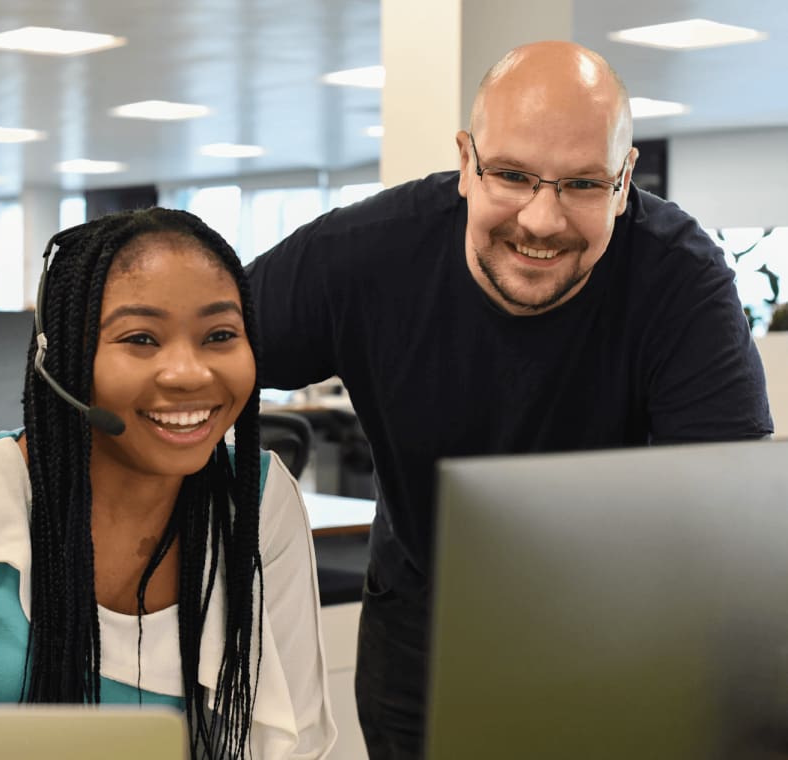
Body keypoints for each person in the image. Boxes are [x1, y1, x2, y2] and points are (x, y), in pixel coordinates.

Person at [246, 40, 774, 758]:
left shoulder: (680, 281)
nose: (542, 220)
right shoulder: (366, 254)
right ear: (467, 162)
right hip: (423, 608)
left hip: (619, 620)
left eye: (583, 184)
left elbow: (731, 521)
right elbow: (200, 349)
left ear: (624, 182)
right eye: (513, 175)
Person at [0, 208, 336, 759]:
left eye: (220, 335)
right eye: (141, 338)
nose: (189, 373)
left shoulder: (255, 499)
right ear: (60, 358)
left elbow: (296, 741)